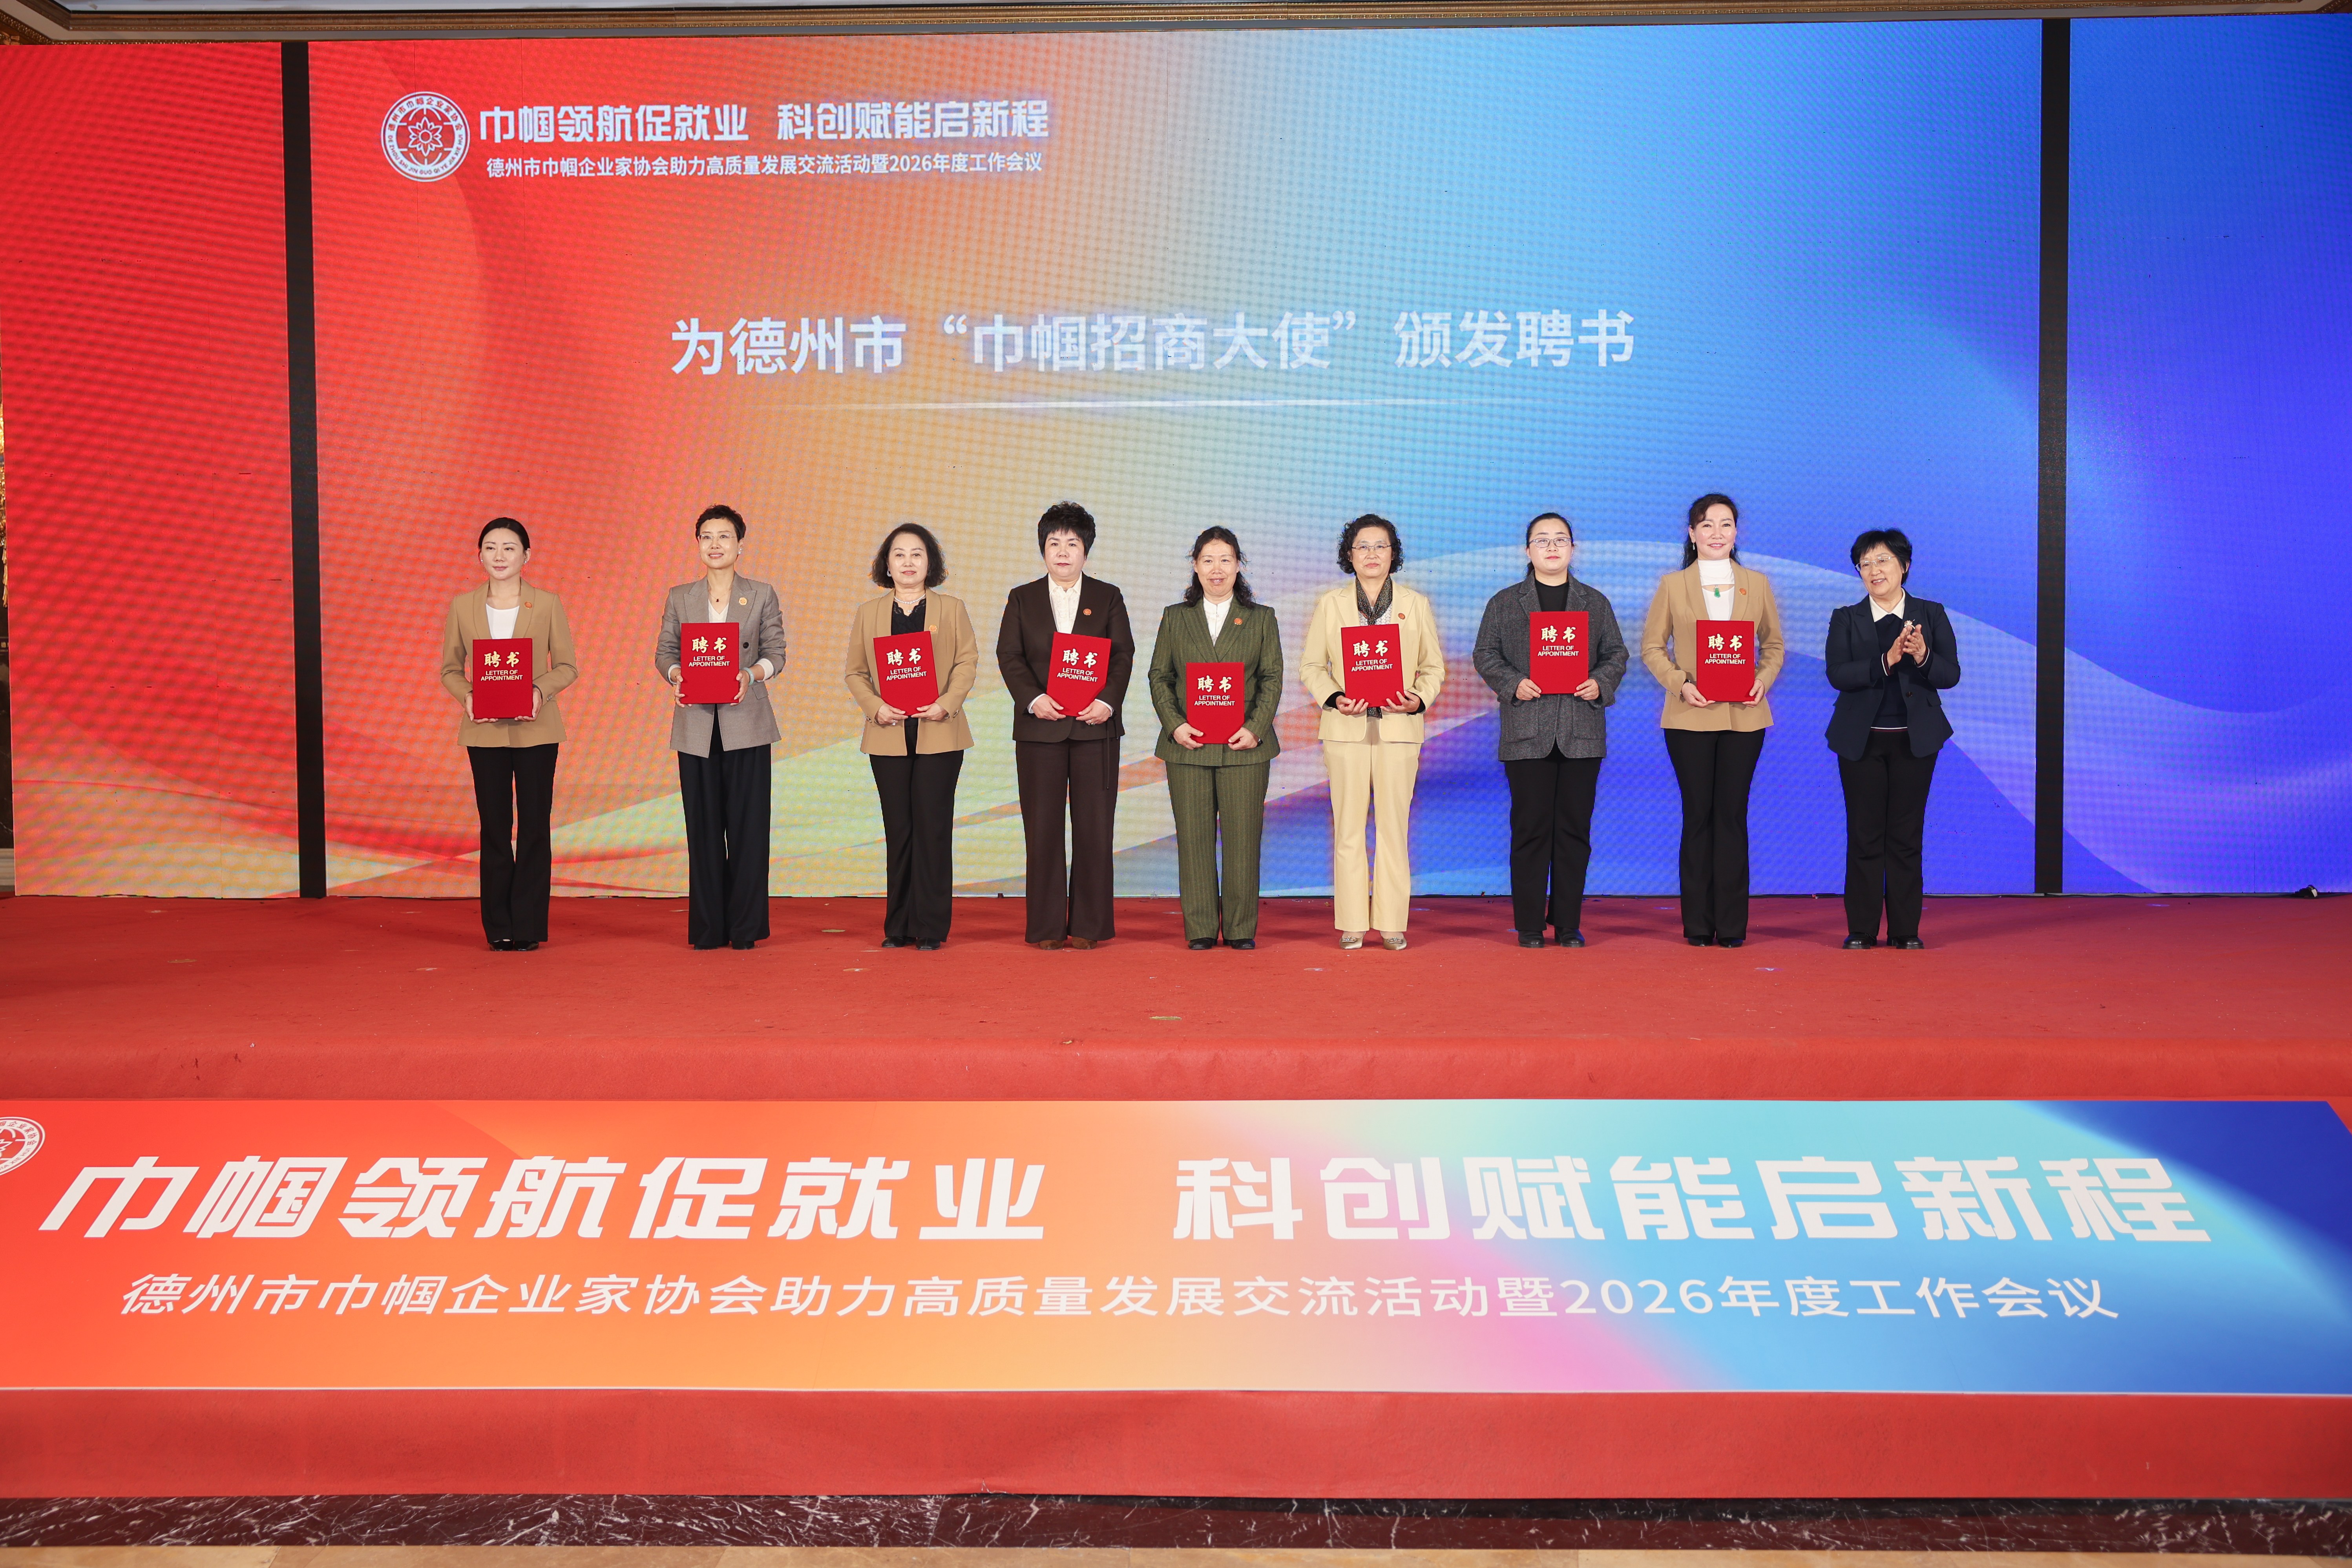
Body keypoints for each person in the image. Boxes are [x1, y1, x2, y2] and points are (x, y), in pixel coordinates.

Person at [1471, 511, 1629, 948]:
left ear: (1573, 549)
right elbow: (1485, 653)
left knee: (1574, 831)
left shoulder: (1594, 602)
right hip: (1527, 729)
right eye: (1542, 539)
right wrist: (1512, 683)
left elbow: (1616, 654)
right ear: (1528, 550)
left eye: (1561, 539)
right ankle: (1528, 924)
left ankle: (1567, 923)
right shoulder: (1505, 603)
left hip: (1582, 729)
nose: (1552, 546)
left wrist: (1600, 682)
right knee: (1530, 829)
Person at [1640, 493, 1785, 948]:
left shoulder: (1756, 583)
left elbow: (1773, 645)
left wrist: (1763, 679)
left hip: (1745, 717)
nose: (1716, 533)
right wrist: (1680, 683)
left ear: (1736, 532)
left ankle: (1733, 924)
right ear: (1692, 533)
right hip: (1689, 716)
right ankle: (1699, 924)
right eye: (1706, 524)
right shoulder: (1672, 585)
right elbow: (1651, 647)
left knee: (1732, 816)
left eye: (1725, 524)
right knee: (1698, 815)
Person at [996, 501, 1136, 950]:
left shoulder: (1107, 596)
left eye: (1072, 543)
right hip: (1041, 728)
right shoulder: (1023, 597)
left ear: (1085, 551)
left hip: (1095, 728)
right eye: (1054, 543)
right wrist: (1034, 699)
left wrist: (1107, 702)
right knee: (1043, 829)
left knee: (1095, 828)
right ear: (1042, 549)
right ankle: (1046, 927)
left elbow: (1123, 654)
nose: (1062, 552)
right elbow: (1009, 655)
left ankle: (1090, 927)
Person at [1301, 514, 1445, 950]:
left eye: (1380, 546)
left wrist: (1417, 699)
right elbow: (1312, 666)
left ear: (1393, 553)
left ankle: (1391, 922)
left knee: (1393, 828)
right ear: (1349, 554)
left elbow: (1433, 668)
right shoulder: (1331, 604)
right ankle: (1352, 922)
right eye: (1362, 546)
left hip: (1399, 729)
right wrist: (1334, 697)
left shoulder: (1415, 604)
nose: (1371, 554)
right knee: (1347, 827)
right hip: (1345, 728)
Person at [438, 517, 577, 952]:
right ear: (480, 555)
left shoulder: (547, 603)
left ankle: (528, 925)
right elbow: (450, 669)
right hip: (485, 733)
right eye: (491, 548)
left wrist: (538, 691)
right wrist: (468, 696)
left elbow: (567, 666)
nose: (499, 556)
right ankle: (499, 926)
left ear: (526, 556)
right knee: (495, 828)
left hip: (537, 730)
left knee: (535, 826)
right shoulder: (463, 606)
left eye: (509, 548)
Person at [656, 504, 786, 951]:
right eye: (707, 536)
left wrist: (750, 674)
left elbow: (776, 654)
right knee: (704, 828)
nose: (715, 545)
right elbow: (665, 653)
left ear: (740, 545)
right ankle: (709, 929)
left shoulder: (761, 594)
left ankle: (746, 929)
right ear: (698, 544)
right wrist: (676, 674)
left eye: (724, 536)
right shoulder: (680, 597)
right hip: (696, 723)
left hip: (746, 721)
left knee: (749, 828)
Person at [1148, 527, 1283, 950]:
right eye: (1208, 560)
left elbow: (1272, 678)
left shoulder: (1261, 618)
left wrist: (1255, 728)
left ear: (1239, 565)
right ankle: (1201, 927)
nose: (1216, 568)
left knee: (1244, 840)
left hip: (1245, 746)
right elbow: (1160, 676)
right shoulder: (1176, 617)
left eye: (1225, 559)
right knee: (1193, 839)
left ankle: (1241, 928)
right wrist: (1175, 725)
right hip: (1188, 745)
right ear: (1195, 565)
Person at [1825, 528, 1961, 949]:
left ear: (1904, 565)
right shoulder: (1846, 617)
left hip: (1914, 742)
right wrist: (1886, 660)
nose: (1874, 570)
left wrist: (1922, 655)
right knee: (1864, 835)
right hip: (1861, 742)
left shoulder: (1930, 614)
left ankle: (1905, 931)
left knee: (1905, 837)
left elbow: (1950, 674)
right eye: (1865, 564)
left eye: (1882, 560)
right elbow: (1838, 674)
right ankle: (1862, 930)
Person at [845, 522, 977, 950]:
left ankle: (931, 927)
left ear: (930, 562)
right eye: (899, 554)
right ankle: (899, 925)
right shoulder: (869, 613)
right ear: (887, 564)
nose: (908, 562)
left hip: (939, 731)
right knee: (899, 829)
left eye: (917, 554)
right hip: (888, 733)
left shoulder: (951, 609)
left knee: (932, 829)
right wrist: (874, 707)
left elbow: (967, 662)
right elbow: (855, 672)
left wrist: (946, 703)